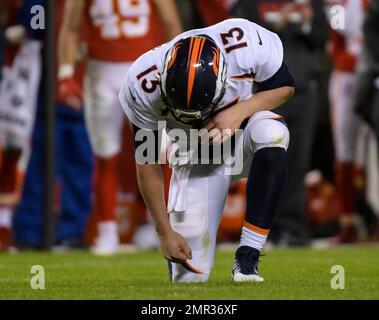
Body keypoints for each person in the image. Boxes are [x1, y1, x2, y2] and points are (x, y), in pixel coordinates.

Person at [119, 18, 295, 282]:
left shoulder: (244, 42)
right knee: (190, 278)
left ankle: (248, 257)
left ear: (224, 77)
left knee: (272, 133)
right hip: (196, 157)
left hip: (242, 138)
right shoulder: (142, 83)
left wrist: (239, 112)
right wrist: (164, 232)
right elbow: (148, 162)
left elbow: (285, 86)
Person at [58, 0, 182, 255]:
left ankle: (155, 224)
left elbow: (172, 23)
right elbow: (70, 28)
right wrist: (66, 73)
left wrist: (178, 67)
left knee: (155, 152)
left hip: (145, 69)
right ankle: (107, 230)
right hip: (101, 70)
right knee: (105, 155)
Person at [234, 0, 329, 246]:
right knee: (264, 161)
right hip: (267, 90)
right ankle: (260, 228)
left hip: (304, 86)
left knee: (298, 163)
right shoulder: (250, 3)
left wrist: (306, 22)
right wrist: (277, 24)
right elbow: (241, 37)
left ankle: (293, 228)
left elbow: (322, 37)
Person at [0, 0, 43, 250]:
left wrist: (26, 28)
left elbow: (39, 26)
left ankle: (5, 224)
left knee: (16, 148)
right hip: (7, 74)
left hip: (22, 81)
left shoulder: (32, 4)